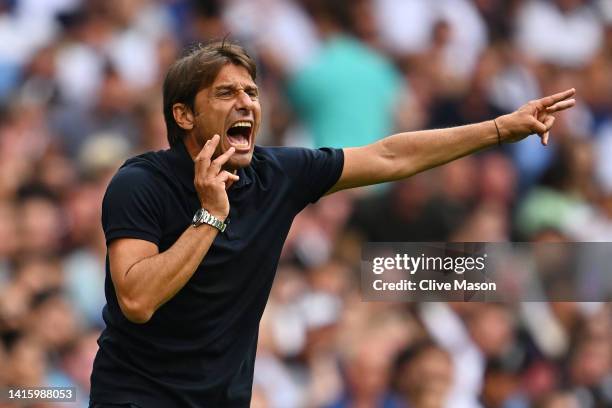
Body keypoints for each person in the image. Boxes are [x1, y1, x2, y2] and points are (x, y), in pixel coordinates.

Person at [88, 41, 575, 407]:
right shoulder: (140, 185)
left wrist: (498, 129)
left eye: (252, 92)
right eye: (225, 93)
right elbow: (137, 300)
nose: (246, 103)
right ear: (184, 115)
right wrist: (211, 215)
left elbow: (388, 156)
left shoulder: (277, 175)